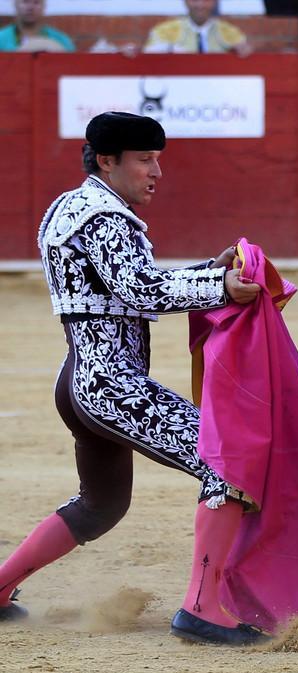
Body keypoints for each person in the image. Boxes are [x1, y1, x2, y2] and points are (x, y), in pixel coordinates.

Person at [0, 112, 268, 646]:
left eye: (157, 159)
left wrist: (204, 272)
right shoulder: (105, 217)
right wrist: (220, 288)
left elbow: (124, 286)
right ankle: (202, 607)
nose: (157, 172)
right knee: (227, 459)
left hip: (78, 379)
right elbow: (140, 290)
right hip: (111, 385)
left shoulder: (71, 206)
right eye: (145, 159)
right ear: (107, 160)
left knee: (102, 503)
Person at [144, 0, 252, 55]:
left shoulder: (230, 33)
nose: (200, 5)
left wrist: (243, 52)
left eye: (206, 0)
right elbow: (147, 61)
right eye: (194, 0)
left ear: (215, 2)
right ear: (185, 1)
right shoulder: (164, 31)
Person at [0, 0, 73, 52]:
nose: (30, 7)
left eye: (36, 2)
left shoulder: (62, 41)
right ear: (16, 5)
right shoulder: (1, 39)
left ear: (44, 6)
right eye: (25, 1)